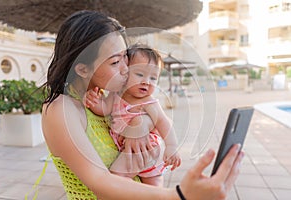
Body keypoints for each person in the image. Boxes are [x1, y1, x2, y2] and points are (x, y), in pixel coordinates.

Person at [42, 10, 244, 200]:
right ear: (83, 70)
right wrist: (177, 195)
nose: (126, 69)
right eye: (115, 62)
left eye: (125, 58)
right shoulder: (61, 109)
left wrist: (141, 123)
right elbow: (100, 183)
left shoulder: (105, 96)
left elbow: (145, 113)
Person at [84, 43, 181, 186]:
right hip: (131, 149)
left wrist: (172, 146)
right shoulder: (116, 94)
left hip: (144, 149)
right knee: (153, 185)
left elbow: (163, 122)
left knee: (117, 176)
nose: (146, 82)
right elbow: (103, 108)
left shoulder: (148, 102)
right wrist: (92, 100)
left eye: (153, 78)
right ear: (125, 72)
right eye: (140, 74)